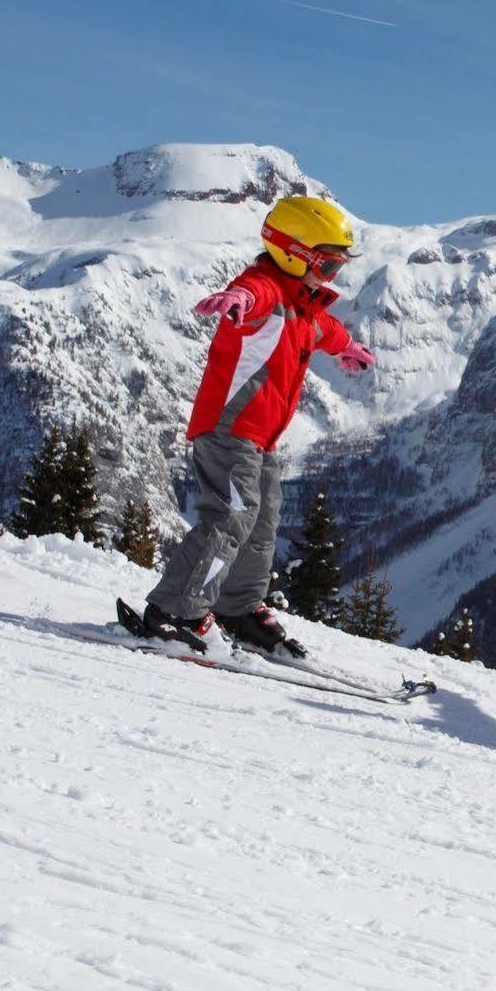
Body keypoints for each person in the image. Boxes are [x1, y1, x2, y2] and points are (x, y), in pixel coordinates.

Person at [125, 195, 376, 658]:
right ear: (291, 251)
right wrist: (237, 297)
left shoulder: (303, 307)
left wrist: (345, 347)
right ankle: (175, 610)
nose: (330, 277)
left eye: (337, 268)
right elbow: (252, 292)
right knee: (230, 517)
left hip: (261, 438)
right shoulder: (265, 290)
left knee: (261, 525)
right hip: (229, 428)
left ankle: (236, 607)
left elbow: (323, 327)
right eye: (325, 265)